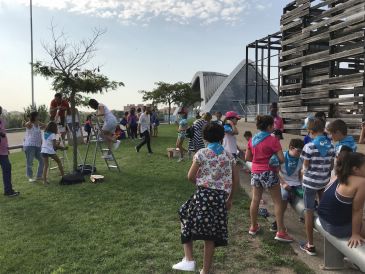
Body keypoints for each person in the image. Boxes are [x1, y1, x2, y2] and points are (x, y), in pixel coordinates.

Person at [172, 122, 239, 274]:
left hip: (203, 196)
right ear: (222, 136)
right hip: (221, 198)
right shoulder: (229, 156)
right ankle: (205, 271)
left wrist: (203, 183)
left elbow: (190, 176)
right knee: (211, 235)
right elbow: (236, 181)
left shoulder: (201, 153)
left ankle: (189, 259)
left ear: (204, 137)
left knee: (184, 215)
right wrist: (230, 199)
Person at [245, 115, 293, 242]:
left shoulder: (252, 139)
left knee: (255, 199)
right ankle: (281, 232)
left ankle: (253, 226)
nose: (274, 127)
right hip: (269, 172)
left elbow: (248, 158)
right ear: (269, 126)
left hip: (255, 172)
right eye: (273, 125)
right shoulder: (273, 140)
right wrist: (272, 159)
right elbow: (282, 159)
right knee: (277, 201)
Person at [300, 118, 335, 255]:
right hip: (324, 182)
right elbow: (331, 166)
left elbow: (305, 166)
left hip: (310, 184)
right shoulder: (331, 145)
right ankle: (327, 237)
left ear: (311, 131)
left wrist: (303, 171)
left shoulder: (309, 146)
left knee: (308, 211)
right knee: (323, 208)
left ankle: (310, 245)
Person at [318, 152, 365, 247]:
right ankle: (357, 258)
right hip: (337, 228)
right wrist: (355, 234)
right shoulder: (361, 182)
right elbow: (357, 210)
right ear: (355, 169)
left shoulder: (337, 176)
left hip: (322, 220)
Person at [271, 139, 304, 232]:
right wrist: (283, 183)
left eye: (302, 151)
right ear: (291, 148)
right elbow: (276, 172)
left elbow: (300, 175)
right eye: (298, 151)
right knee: (284, 196)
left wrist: (303, 184)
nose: (300, 153)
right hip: (284, 182)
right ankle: (278, 222)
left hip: (296, 183)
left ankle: (305, 218)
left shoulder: (301, 159)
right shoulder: (282, 157)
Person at [0, 106, 19, 197]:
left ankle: (8, 191)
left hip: (3, 151)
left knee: (7, 168)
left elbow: (5, 136)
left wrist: (7, 148)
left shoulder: (2, 121)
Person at [23, 111, 45, 182]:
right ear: (35, 117)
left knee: (42, 160)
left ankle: (39, 176)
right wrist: (28, 120)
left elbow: (46, 125)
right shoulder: (30, 124)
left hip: (38, 146)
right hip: (30, 146)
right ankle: (30, 177)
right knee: (30, 162)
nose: (39, 117)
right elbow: (25, 124)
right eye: (38, 116)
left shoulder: (38, 123)